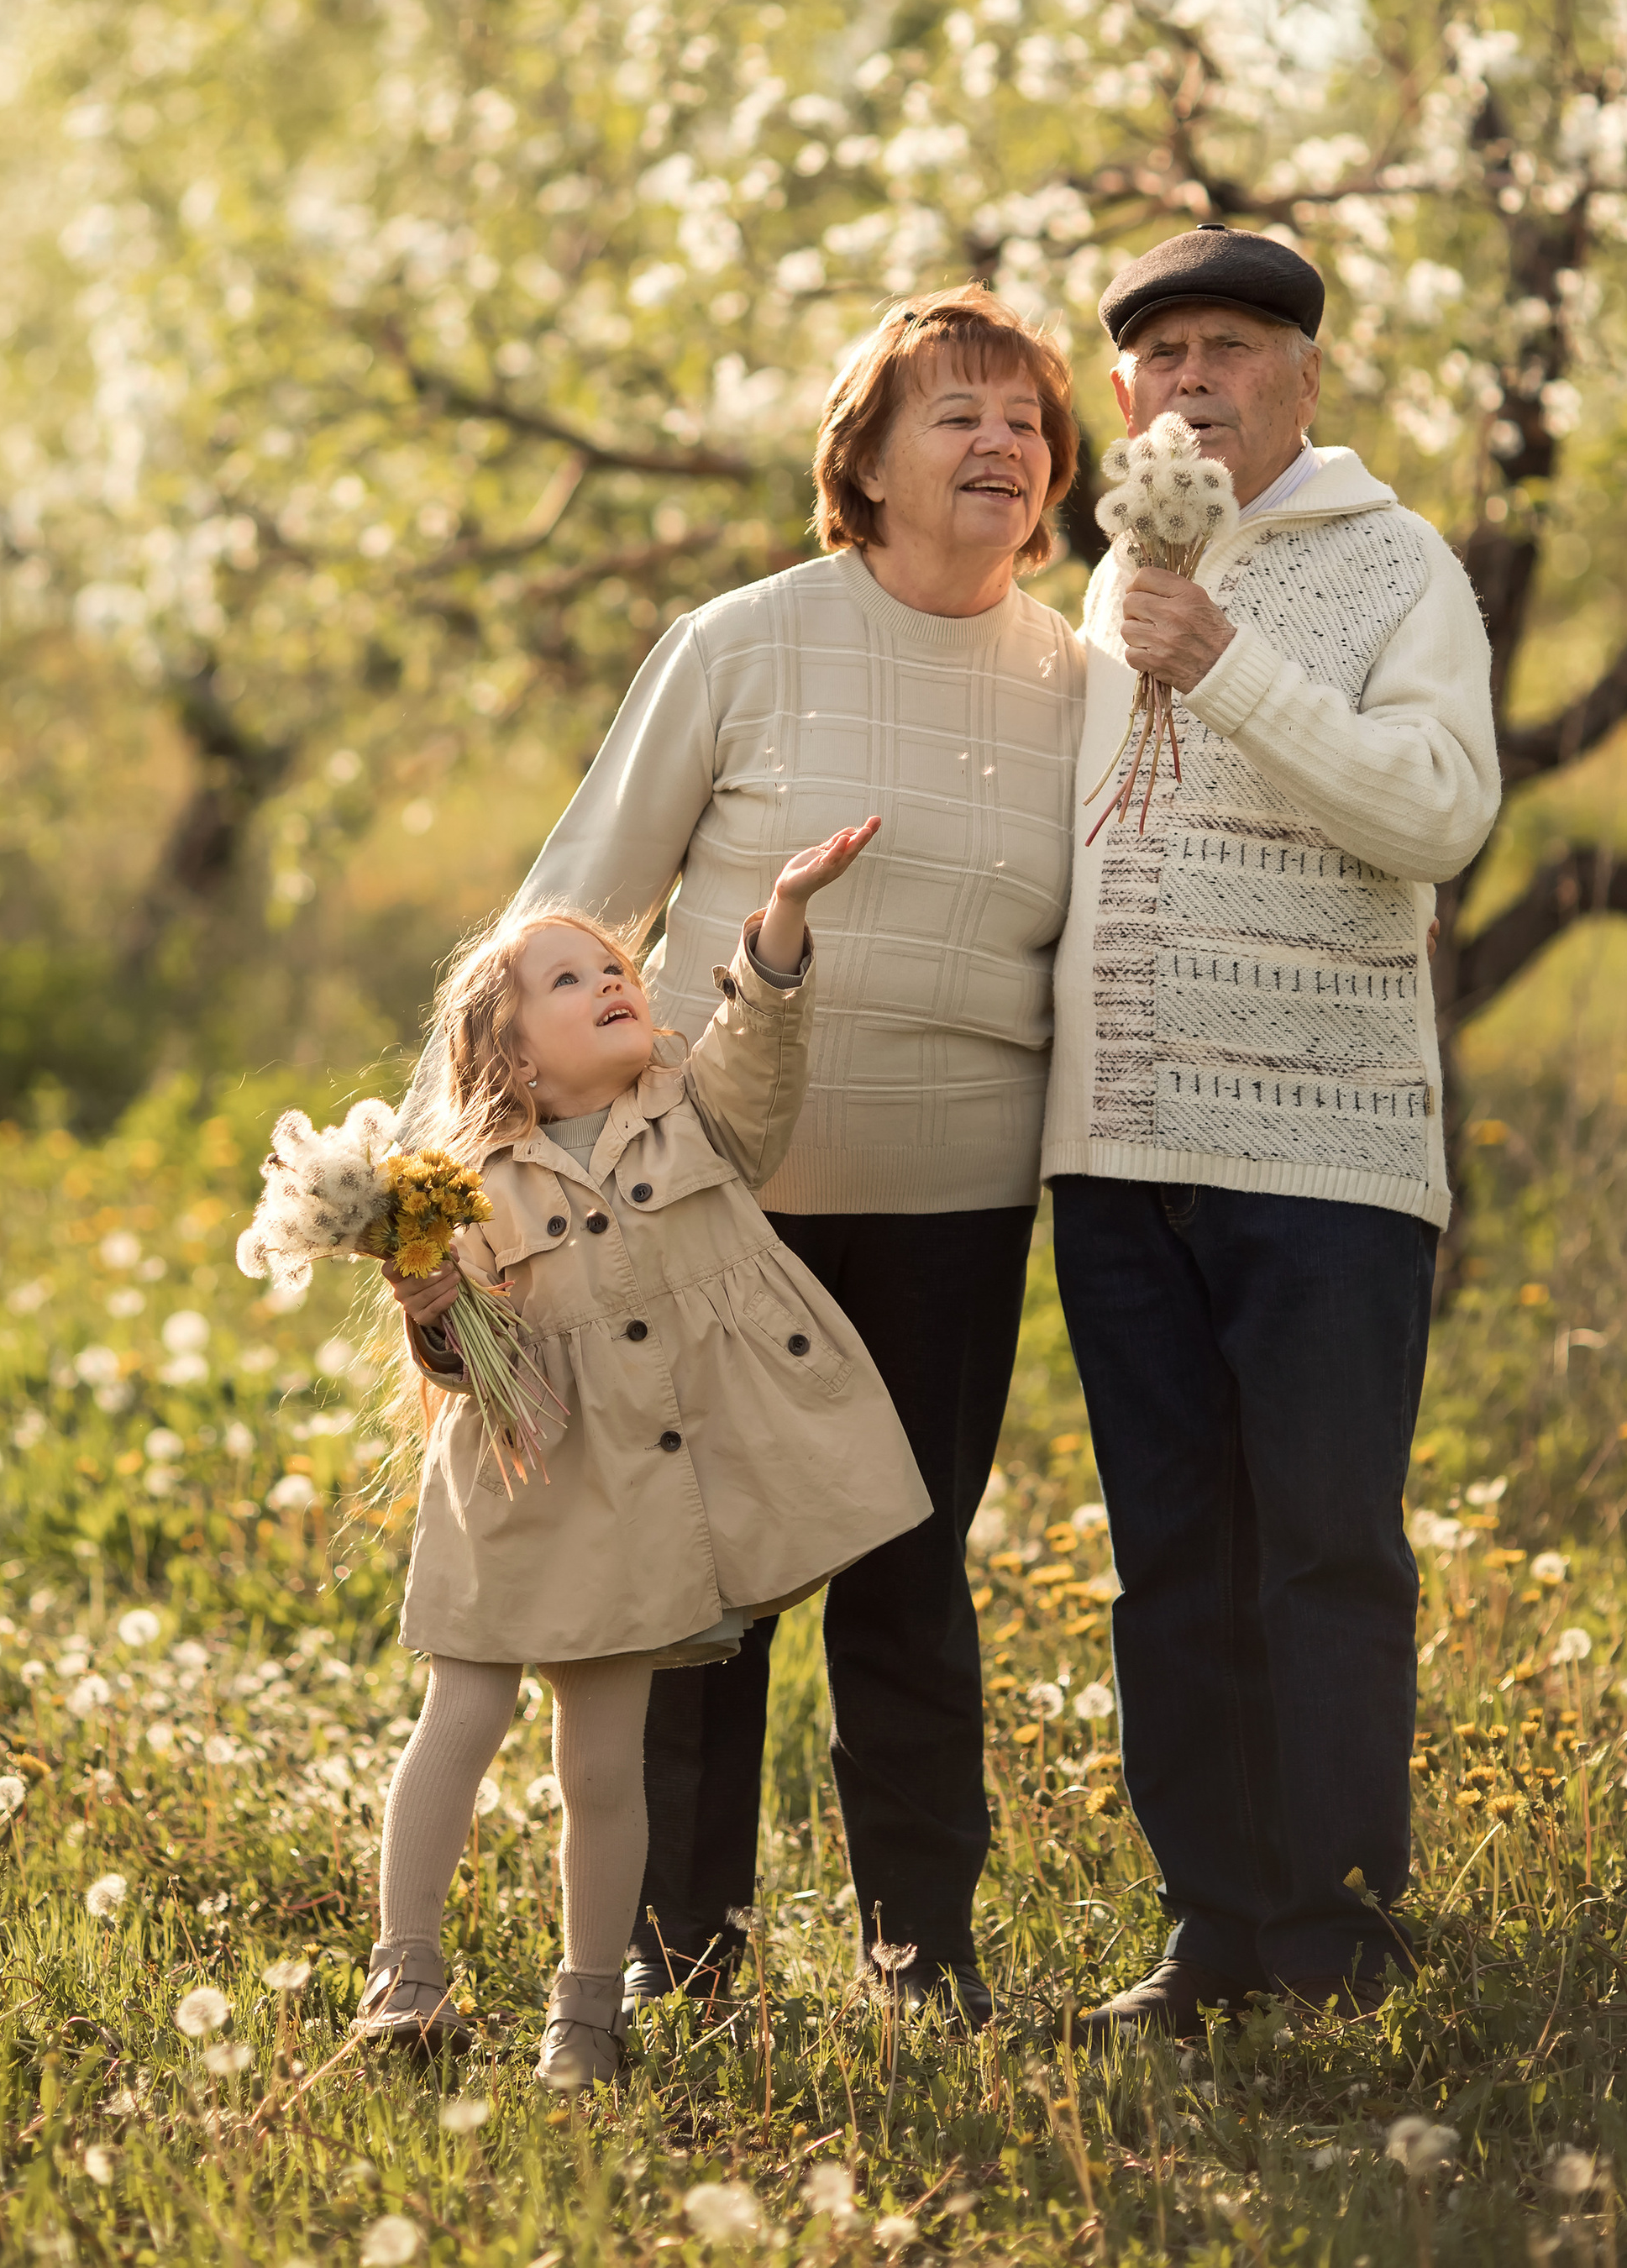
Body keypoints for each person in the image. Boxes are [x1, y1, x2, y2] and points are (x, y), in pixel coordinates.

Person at [474, 286, 1087, 2025]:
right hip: (702, 1200)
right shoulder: (740, 640)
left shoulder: (1082, 679)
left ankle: (920, 1953)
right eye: (955, 414)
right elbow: (576, 897)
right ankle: (681, 1957)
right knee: (696, 1587)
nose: (999, 445)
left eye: (1027, 421)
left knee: (909, 1565)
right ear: (863, 461)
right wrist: (494, 1160)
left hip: (958, 1205)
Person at [1040, 222, 1501, 2035]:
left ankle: (1331, 1938)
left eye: (1228, 348)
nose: (1190, 383)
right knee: (1168, 1556)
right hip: (1119, 1152)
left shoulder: (1401, 570)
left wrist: (1221, 659)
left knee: (1320, 1546)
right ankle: (1209, 1930)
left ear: (1305, 373)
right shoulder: (1103, 575)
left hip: (1321, 1160)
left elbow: (1438, 818)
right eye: (1156, 359)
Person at [355, 821, 931, 2088]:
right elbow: (455, 1366)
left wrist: (781, 919)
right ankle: (407, 1975)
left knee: (604, 1767)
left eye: (615, 968)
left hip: (631, 1502)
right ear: (504, 1047)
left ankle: (586, 2016)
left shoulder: (692, 1117)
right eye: (569, 980)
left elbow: (760, 1051)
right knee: (461, 1718)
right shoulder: (457, 1186)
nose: (613, 983)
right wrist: (427, 1300)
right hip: (516, 1492)